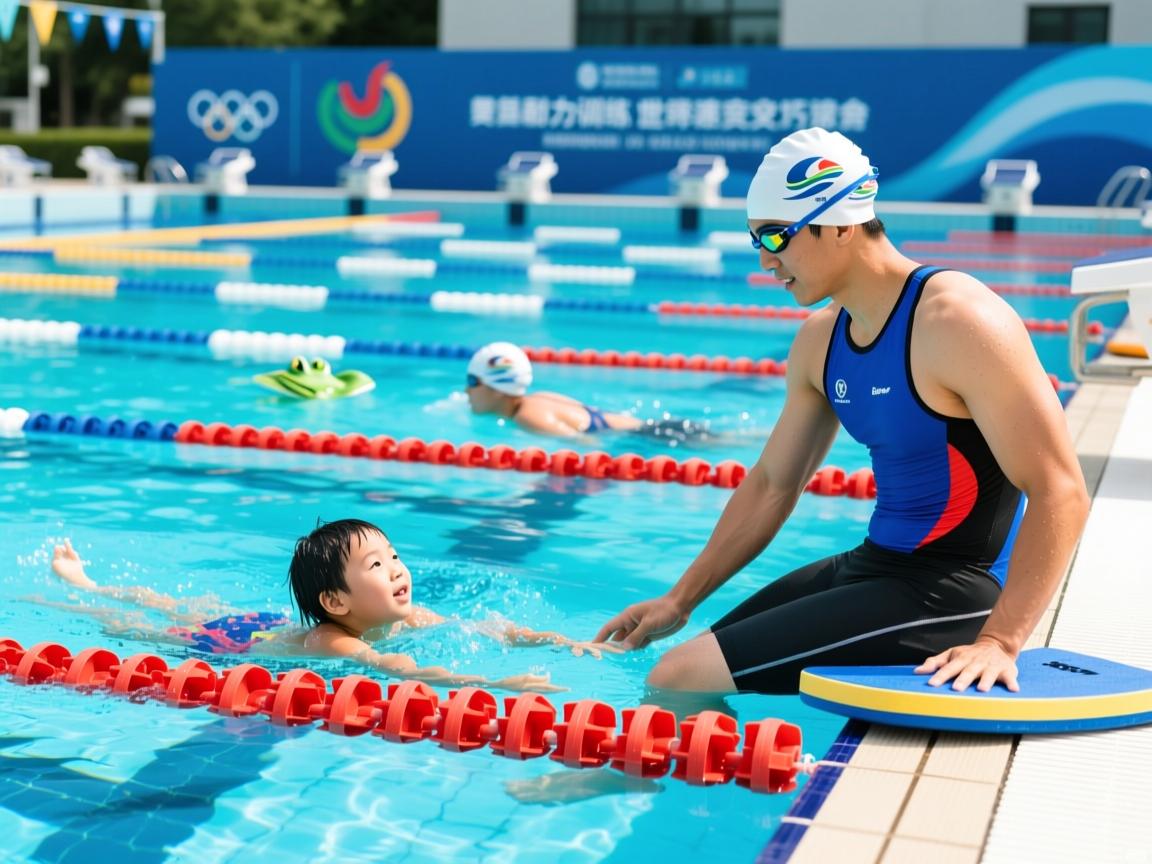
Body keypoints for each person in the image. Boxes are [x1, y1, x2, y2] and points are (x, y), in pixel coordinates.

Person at [595, 127, 1090, 696]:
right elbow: (774, 483)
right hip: (876, 566)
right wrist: (678, 599)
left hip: (957, 588)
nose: (764, 260)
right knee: (690, 666)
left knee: (678, 677)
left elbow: (1060, 488)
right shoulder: (821, 340)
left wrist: (1001, 641)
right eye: (756, 240)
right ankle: (663, 777)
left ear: (840, 222)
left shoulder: (958, 322)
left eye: (776, 237)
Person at [49, 520, 618, 693]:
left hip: (264, 624)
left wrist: (563, 641)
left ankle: (93, 582)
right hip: (227, 644)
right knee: (147, 624)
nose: (397, 569)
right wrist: (497, 685)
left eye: (394, 555)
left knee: (186, 602)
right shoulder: (333, 640)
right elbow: (405, 669)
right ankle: (88, 587)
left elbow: (490, 626)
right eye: (377, 566)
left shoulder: (405, 614)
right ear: (334, 601)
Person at [464, 341, 708, 442]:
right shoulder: (538, 398)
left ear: (496, 389)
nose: (466, 390)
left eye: (473, 381)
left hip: (651, 437)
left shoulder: (529, 416)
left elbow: (587, 444)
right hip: (652, 429)